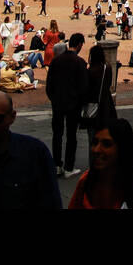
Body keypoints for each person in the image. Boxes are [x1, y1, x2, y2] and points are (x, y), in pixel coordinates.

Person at [68, 118, 133, 208]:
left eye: (106, 144)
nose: (96, 150)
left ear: (122, 149)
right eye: (95, 142)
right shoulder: (85, 181)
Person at [46, 33, 89, 178]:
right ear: (79, 45)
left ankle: (57, 165)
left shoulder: (56, 61)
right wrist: (81, 103)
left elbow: (49, 85)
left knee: (57, 135)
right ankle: (69, 167)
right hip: (73, 105)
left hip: (57, 103)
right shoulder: (80, 63)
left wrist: (54, 99)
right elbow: (83, 87)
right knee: (71, 136)